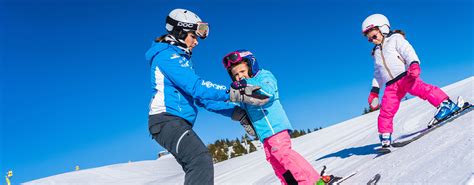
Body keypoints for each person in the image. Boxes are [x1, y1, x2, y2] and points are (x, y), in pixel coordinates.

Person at [145, 9, 268, 185]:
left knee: (198, 162)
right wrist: (235, 92)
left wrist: (236, 113)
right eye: (193, 36)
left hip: (174, 122)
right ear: (180, 31)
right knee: (199, 161)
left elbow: (202, 99)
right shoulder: (167, 56)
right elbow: (197, 87)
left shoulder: (180, 59)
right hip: (165, 121)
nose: (196, 42)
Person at [222, 49, 337, 185]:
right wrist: (225, 98)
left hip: (275, 128)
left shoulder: (263, 76)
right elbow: (237, 106)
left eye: (242, 72)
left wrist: (247, 85)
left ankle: (313, 182)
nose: (239, 77)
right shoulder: (242, 91)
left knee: (284, 154)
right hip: (264, 134)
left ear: (251, 66)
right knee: (275, 161)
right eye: (235, 75)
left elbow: (268, 93)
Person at [361, 14, 463, 148]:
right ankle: (385, 135)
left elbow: (407, 51)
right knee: (386, 109)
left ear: (383, 28)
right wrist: (374, 92)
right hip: (391, 86)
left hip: (405, 77)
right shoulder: (376, 52)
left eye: (374, 36)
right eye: (370, 39)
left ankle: (446, 105)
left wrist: (413, 64)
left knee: (423, 89)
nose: (373, 41)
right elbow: (377, 73)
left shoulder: (395, 39)